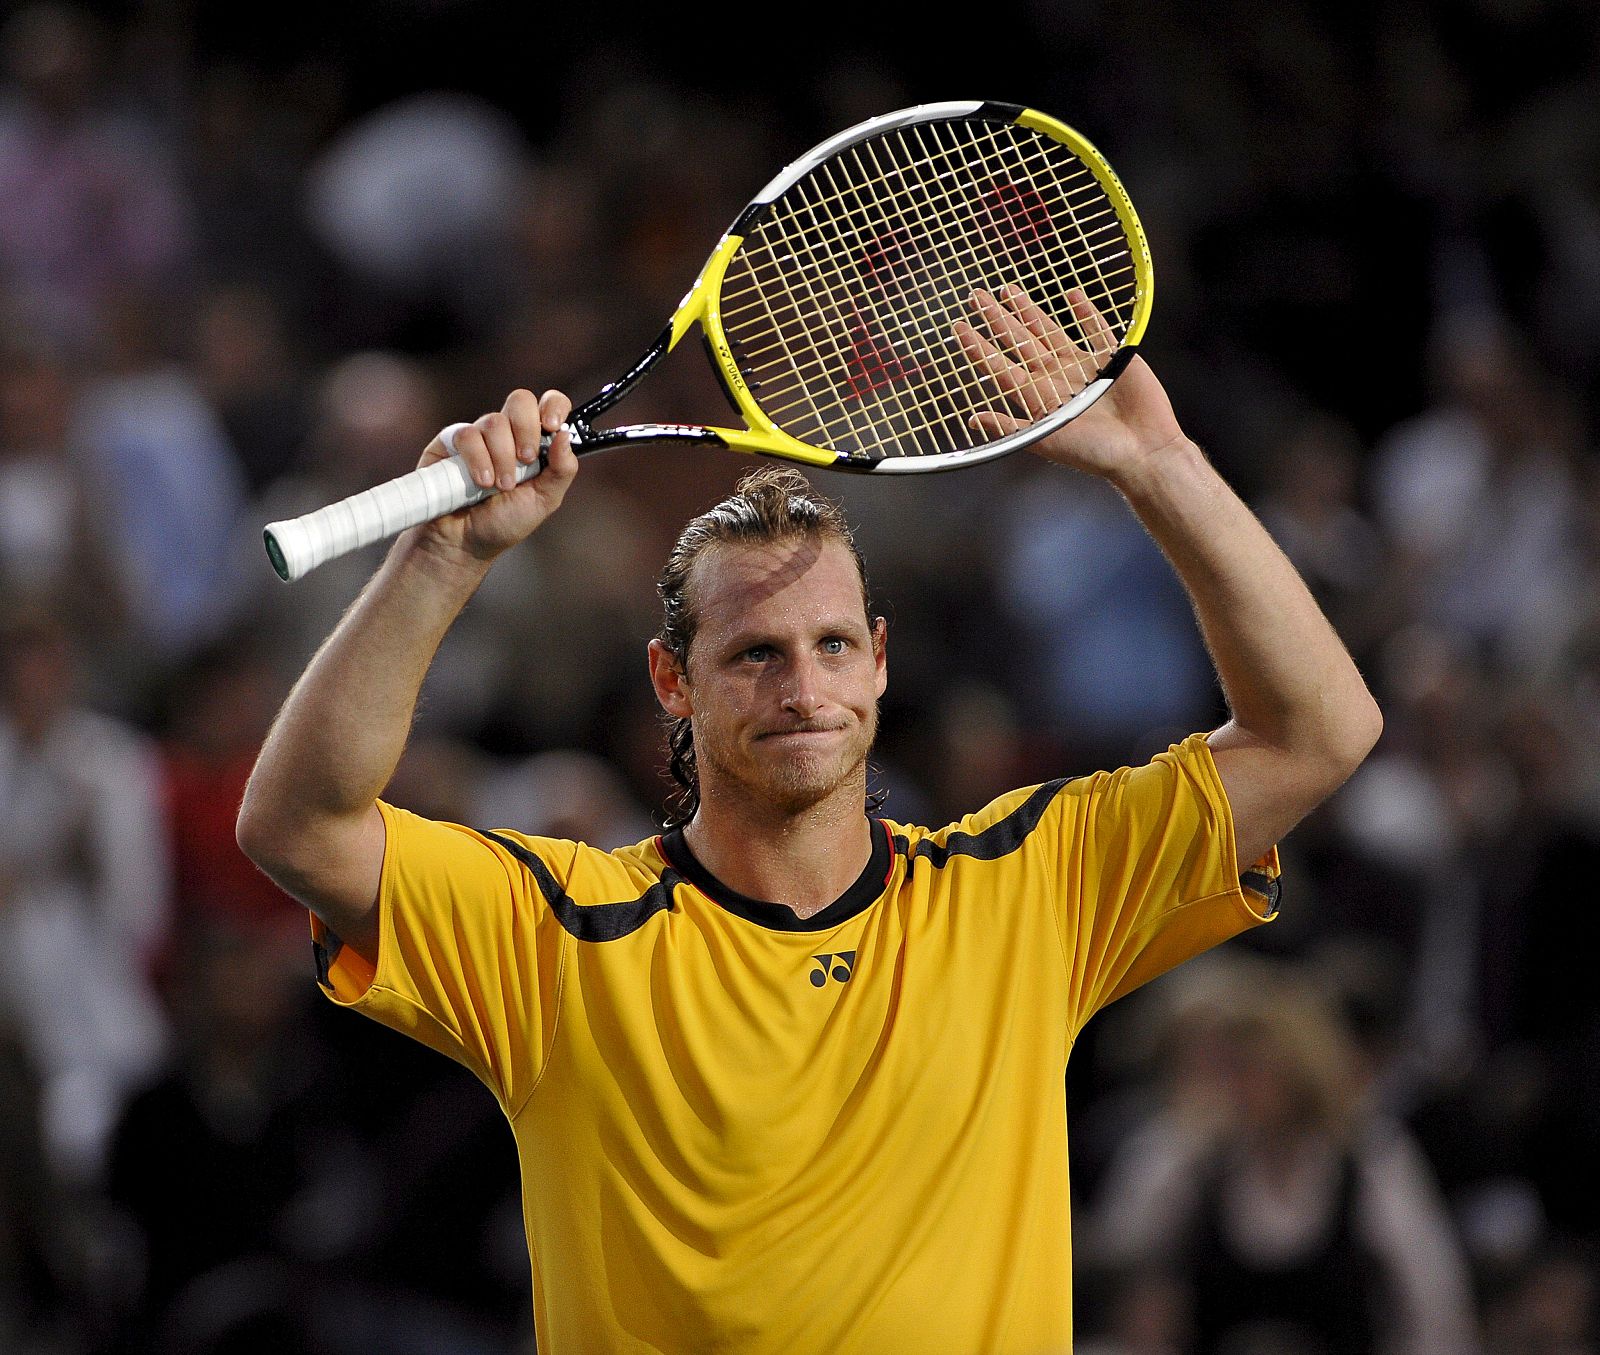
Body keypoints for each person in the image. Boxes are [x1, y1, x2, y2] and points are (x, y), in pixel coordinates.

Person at [237, 287, 1383, 1353]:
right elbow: (298, 827)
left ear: (878, 662)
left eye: (832, 644)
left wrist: (1161, 466)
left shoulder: (1027, 888)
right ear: (672, 681)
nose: (802, 688)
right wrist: (440, 555)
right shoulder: (560, 931)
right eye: (754, 653)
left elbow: (1318, 731)